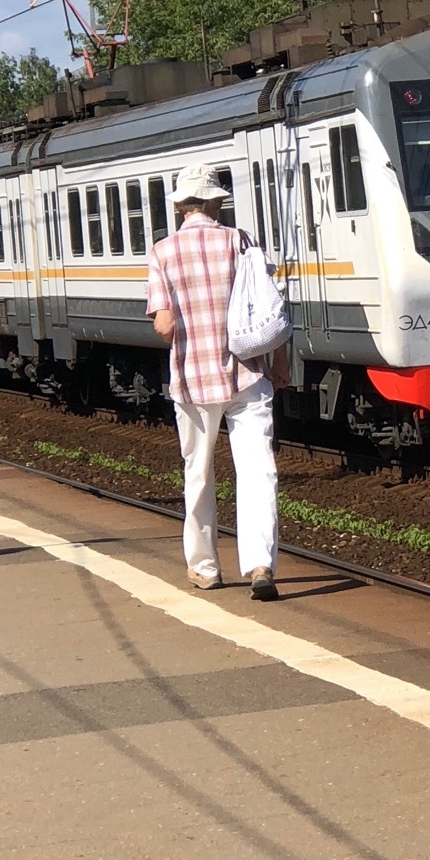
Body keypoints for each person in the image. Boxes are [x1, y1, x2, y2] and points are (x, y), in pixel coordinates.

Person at [146, 162, 280, 601]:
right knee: (258, 471)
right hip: (246, 373)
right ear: (214, 203)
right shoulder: (238, 241)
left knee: (199, 474)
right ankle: (260, 564)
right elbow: (264, 302)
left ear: (183, 206)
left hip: (193, 379)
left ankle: (205, 568)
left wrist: (178, 323)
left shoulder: (162, 252)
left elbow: (164, 325)